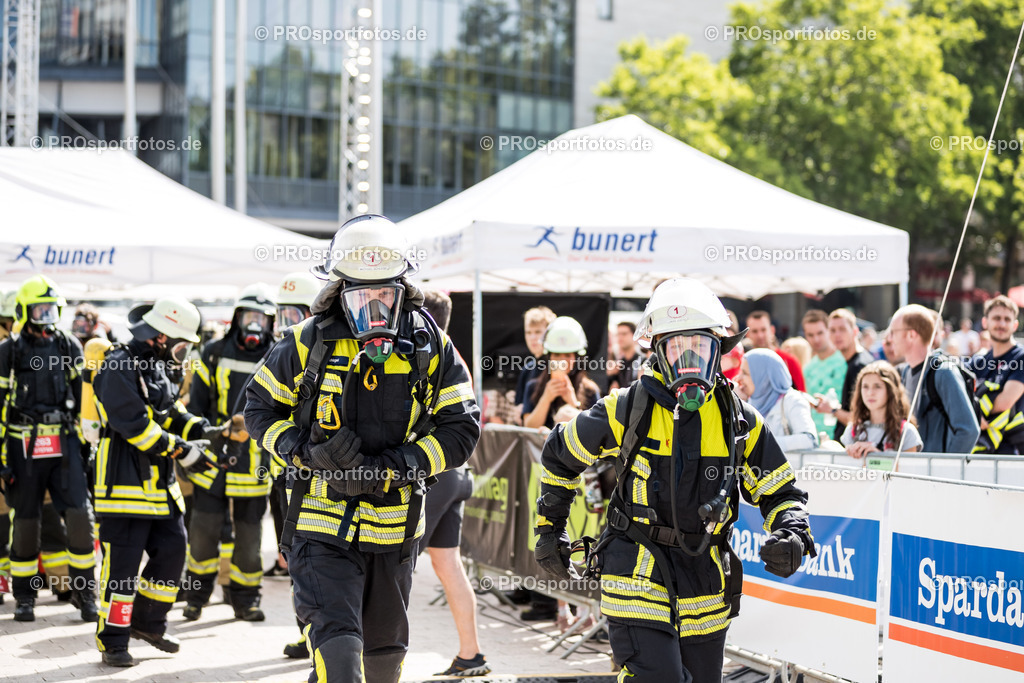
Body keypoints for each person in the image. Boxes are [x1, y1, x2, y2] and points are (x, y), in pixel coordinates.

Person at [535, 278, 815, 682]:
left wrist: (792, 533)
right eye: (676, 347)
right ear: (658, 352)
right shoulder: (626, 408)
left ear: (719, 350)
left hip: (705, 583)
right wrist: (549, 530)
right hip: (635, 571)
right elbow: (560, 454)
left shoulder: (740, 421)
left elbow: (780, 490)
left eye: (700, 347)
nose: (689, 359)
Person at [244, 213, 480, 683]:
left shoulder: (430, 345)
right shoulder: (306, 342)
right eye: (361, 296)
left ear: (402, 291)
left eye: (385, 295)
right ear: (340, 291)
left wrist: (397, 467)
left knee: (384, 659)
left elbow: (462, 428)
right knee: (338, 652)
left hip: (395, 532)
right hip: (320, 525)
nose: (374, 308)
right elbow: (258, 409)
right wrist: (303, 452)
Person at [91, 296, 220, 667]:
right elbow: (134, 426)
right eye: (181, 344)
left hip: (160, 489)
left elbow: (171, 412)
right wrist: (183, 451)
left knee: (173, 551)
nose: (182, 353)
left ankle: (147, 623)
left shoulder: (156, 366)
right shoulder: (118, 365)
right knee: (122, 571)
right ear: (160, 337)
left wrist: (207, 431)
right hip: (123, 487)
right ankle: (113, 640)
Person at [0, 275, 97, 623]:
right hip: (23, 444)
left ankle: (86, 594)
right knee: (26, 522)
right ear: (24, 311)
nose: (46, 316)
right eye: (39, 310)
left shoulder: (69, 345)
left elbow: (86, 399)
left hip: (65, 443)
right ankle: (25, 597)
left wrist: (88, 445)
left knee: (80, 517)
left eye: (51, 309)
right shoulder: (9, 351)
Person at [182, 283, 277, 622]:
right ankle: (196, 597)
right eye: (249, 316)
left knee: (249, 539)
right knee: (203, 533)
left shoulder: (278, 355)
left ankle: (246, 600)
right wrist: (205, 440)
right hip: (214, 458)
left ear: (271, 322)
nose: (255, 324)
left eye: (261, 318)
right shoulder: (213, 352)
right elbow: (195, 407)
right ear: (237, 318)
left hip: (255, 463)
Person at [419, 289, 491, 677]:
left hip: (437, 473)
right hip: (456, 472)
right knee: (448, 564)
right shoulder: (453, 355)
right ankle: (471, 654)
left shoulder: (432, 354)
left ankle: (372, 653)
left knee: (393, 563)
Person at [890, 304, 980, 453]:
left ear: (911, 335)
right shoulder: (905, 372)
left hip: (933, 467)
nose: (889, 338)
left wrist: (943, 465)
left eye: (893, 332)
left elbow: (968, 431)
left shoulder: (944, 372)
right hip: (912, 466)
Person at [522, 316, 601, 430]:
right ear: (549, 357)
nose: (562, 360)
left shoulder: (590, 390)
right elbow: (529, 427)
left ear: (576, 358)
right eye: (557, 354)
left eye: (568, 355)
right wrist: (546, 398)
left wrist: (573, 403)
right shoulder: (533, 387)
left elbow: (593, 430)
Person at [971, 296, 1024, 454]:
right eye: (996, 318)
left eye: (1007, 319)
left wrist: (973, 413)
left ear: (1015, 325)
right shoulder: (978, 362)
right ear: (985, 322)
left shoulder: (1020, 357)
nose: (1002, 324)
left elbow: (1005, 402)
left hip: (1013, 451)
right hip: (981, 449)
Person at [739, 349, 818, 451]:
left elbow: (809, 439)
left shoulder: (792, 400)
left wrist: (762, 444)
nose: (739, 378)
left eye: (745, 373)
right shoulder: (749, 403)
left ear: (763, 376)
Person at [840, 361, 921, 458]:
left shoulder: (906, 431)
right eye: (865, 387)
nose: (870, 393)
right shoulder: (853, 430)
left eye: (877, 387)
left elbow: (909, 466)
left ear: (891, 391)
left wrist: (878, 457)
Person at [815, 309, 874, 441]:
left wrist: (832, 410)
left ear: (855, 331)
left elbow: (863, 419)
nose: (837, 335)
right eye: (832, 330)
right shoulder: (850, 363)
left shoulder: (860, 366)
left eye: (842, 329)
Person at [802, 309, 847, 438]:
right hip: (815, 437)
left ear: (828, 331)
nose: (816, 339)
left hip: (841, 436)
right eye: (810, 335)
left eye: (820, 333)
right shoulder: (808, 368)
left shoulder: (844, 361)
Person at [744, 310, 806, 391]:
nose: (760, 335)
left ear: (772, 330)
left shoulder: (789, 360)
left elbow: (801, 394)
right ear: (747, 334)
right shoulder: (744, 363)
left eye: (763, 330)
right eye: (755, 331)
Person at [514, 306, 558, 407]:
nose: (532, 337)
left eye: (538, 332)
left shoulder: (558, 367)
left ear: (549, 333)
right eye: (528, 332)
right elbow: (519, 405)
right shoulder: (527, 369)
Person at [608, 321, 641, 390]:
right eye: (618, 334)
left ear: (634, 336)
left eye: (624, 334)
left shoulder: (642, 361)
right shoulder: (618, 365)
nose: (620, 337)